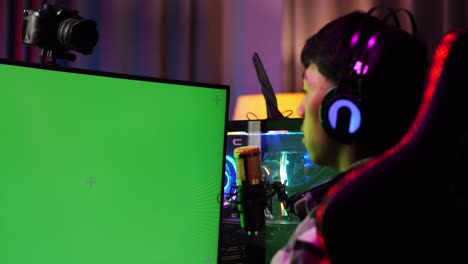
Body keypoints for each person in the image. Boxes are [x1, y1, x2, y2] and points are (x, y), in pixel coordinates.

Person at [271, 7, 428, 263]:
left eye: (307, 89)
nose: (300, 108)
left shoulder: (321, 237)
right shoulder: (422, 205)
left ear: (341, 109)